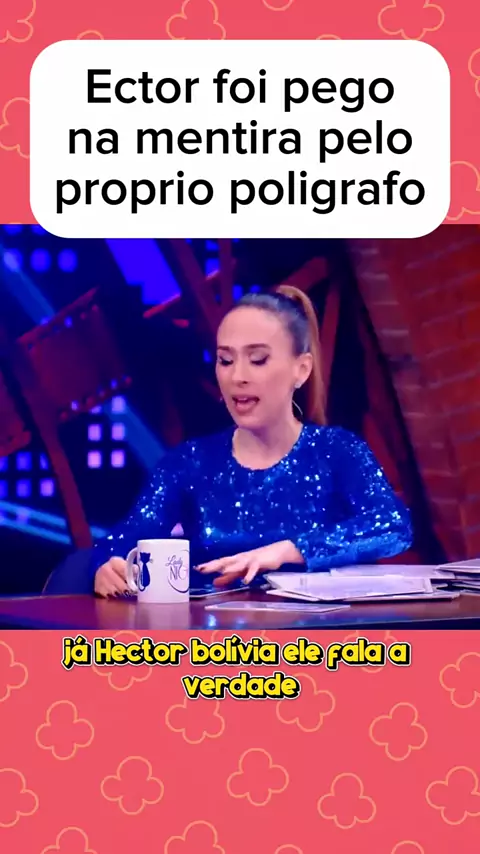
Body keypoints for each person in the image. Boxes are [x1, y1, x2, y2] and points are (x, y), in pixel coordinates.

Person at [92, 285, 412, 598]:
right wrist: (106, 567)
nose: (238, 377)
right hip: (216, 631)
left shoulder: (337, 451)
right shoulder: (189, 462)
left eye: (257, 360)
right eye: (225, 360)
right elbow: (120, 543)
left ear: (301, 370)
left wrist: (290, 550)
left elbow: (393, 526)